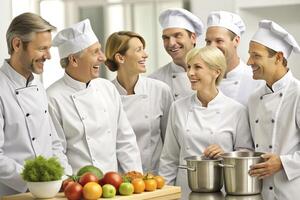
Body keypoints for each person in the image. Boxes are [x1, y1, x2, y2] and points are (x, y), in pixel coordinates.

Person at [47, 19, 143, 174]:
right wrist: (70, 185)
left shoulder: (107, 88)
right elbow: (56, 151)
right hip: (78, 189)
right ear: (74, 60)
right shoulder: (52, 98)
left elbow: (125, 140)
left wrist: (136, 177)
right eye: (95, 52)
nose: (103, 58)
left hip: (114, 187)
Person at [159, 46, 253, 196]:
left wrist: (226, 154)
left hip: (221, 188)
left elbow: (246, 155)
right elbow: (169, 159)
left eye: (197, 67)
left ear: (216, 71)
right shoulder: (178, 107)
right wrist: (165, 196)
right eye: (189, 67)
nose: (190, 73)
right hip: (185, 189)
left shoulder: (236, 110)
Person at [0, 12, 71, 196]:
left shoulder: (38, 87)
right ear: (17, 44)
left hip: (48, 192)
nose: (48, 56)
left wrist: (64, 177)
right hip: (13, 195)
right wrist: (36, 182)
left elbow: (54, 143)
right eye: (42, 48)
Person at [104, 31, 173, 174]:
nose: (145, 55)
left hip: (155, 176)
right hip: (120, 180)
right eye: (138, 50)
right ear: (120, 58)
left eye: (143, 49)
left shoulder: (159, 90)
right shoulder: (106, 94)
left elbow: (170, 142)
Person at [247, 20, 300, 200]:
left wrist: (283, 162)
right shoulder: (253, 99)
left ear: (278, 57)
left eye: (256, 56)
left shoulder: (298, 94)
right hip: (258, 193)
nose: (249, 62)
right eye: (249, 55)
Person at [205, 11, 262, 105]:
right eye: (208, 41)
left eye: (219, 41)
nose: (212, 47)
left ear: (236, 40)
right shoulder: (203, 78)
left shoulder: (255, 80)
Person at [149, 8, 203, 100]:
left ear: (193, 38)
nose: (171, 43)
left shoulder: (213, 72)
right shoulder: (155, 80)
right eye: (166, 38)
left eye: (177, 35)